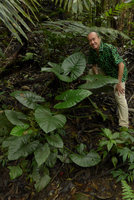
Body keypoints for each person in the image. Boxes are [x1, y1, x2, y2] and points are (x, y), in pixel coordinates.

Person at [87, 32, 129, 130]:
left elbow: (121, 65)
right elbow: (93, 65)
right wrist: (97, 77)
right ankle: (90, 94)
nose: (92, 42)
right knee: (90, 72)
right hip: (106, 72)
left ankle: (124, 125)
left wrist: (119, 83)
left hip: (118, 74)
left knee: (119, 96)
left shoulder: (109, 48)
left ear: (99, 38)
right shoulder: (92, 50)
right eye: (90, 41)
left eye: (94, 39)